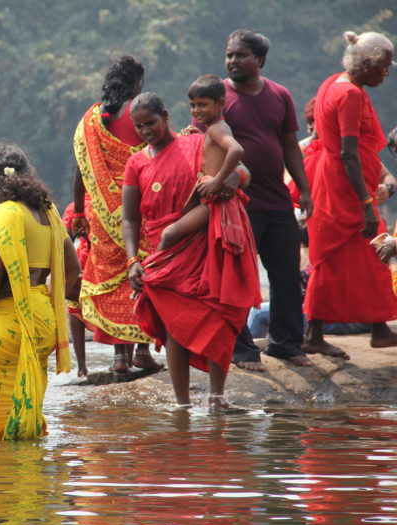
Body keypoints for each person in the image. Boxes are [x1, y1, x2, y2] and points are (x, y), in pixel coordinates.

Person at [122, 92, 260, 409]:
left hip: (205, 240)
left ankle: (216, 397)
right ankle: (182, 403)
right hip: (164, 253)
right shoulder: (136, 163)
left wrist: (232, 180)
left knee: (217, 317)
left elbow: (243, 172)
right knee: (174, 327)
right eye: (139, 126)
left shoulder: (195, 142)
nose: (145, 131)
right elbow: (129, 218)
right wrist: (132, 260)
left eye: (151, 123)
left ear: (166, 117)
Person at [0, 144, 81, 441]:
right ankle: (15, 443)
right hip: (43, 315)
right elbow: (73, 268)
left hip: (14, 315)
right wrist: (46, 297)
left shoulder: (5, 213)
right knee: (14, 381)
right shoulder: (48, 213)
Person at [220, 29, 314, 371]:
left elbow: (290, 145)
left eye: (240, 55)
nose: (232, 61)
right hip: (237, 206)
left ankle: (286, 344)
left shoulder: (280, 95)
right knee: (237, 279)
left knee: (287, 276)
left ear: (259, 60)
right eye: (229, 55)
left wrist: (303, 189)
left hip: (276, 201)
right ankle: (241, 348)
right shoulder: (218, 96)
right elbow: (203, 147)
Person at [303, 31, 397, 357]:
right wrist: (367, 204)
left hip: (336, 182)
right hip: (342, 189)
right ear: (368, 64)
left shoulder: (335, 82)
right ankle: (315, 334)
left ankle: (379, 327)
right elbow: (348, 153)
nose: (387, 73)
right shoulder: (350, 95)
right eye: (384, 67)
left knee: (365, 255)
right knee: (348, 254)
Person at [72, 55, 158, 372]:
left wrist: (79, 211)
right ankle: (142, 351)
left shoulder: (92, 119)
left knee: (113, 281)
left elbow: (80, 169)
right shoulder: (145, 112)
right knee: (141, 276)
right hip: (143, 210)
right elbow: (164, 153)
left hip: (103, 216)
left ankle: (119, 358)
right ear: (137, 83)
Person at [154, 74, 246, 248]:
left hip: (212, 203)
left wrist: (216, 181)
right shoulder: (211, 131)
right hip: (207, 201)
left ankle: (152, 272)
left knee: (169, 234)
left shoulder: (217, 129)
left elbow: (237, 150)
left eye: (202, 105)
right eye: (193, 105)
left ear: (220, 104)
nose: (196, 110)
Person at [62, 201, 92, 377]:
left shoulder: (76, 206)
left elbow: (66, 237)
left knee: (74, 309)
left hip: (93, 259)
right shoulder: (76, 207)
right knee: (74, 308)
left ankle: (82, 367)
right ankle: (122, 359)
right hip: (85, 259)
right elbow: (67, 236)